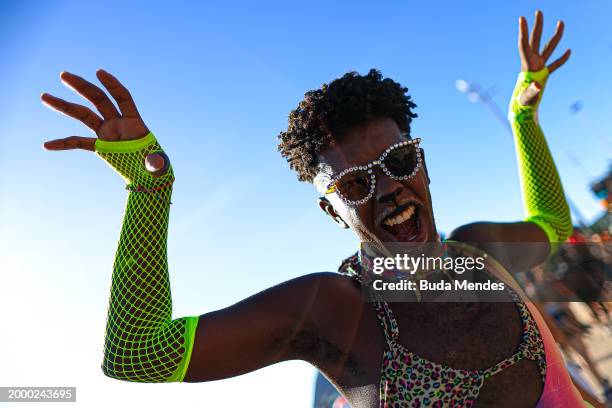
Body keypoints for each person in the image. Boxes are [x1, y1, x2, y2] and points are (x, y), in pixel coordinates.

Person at [42, 10, 598, 408]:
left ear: (423, 165)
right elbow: (136, 354)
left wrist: (523, 114)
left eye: (400, 161)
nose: (388, 191)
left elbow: (552, 223)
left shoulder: (479, 252)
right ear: (333, 213)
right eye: (355, 185)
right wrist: (149, 189)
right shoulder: (331, 311)